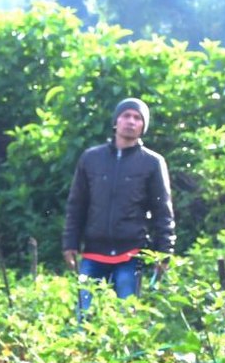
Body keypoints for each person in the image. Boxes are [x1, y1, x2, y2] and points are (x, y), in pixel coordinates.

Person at [62, 96, 172, 318]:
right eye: (126, 115)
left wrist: (164, 250)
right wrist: (70, 243)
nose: (131, 121)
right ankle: (84, 353)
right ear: (116, 122)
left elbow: (163, 211)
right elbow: (77, 205)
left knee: (126, 319)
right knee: (85, 316)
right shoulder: (91, 158)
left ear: (143, 126)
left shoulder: (152, 162)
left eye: (137, 118)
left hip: (131, 253)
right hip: (93, 252)